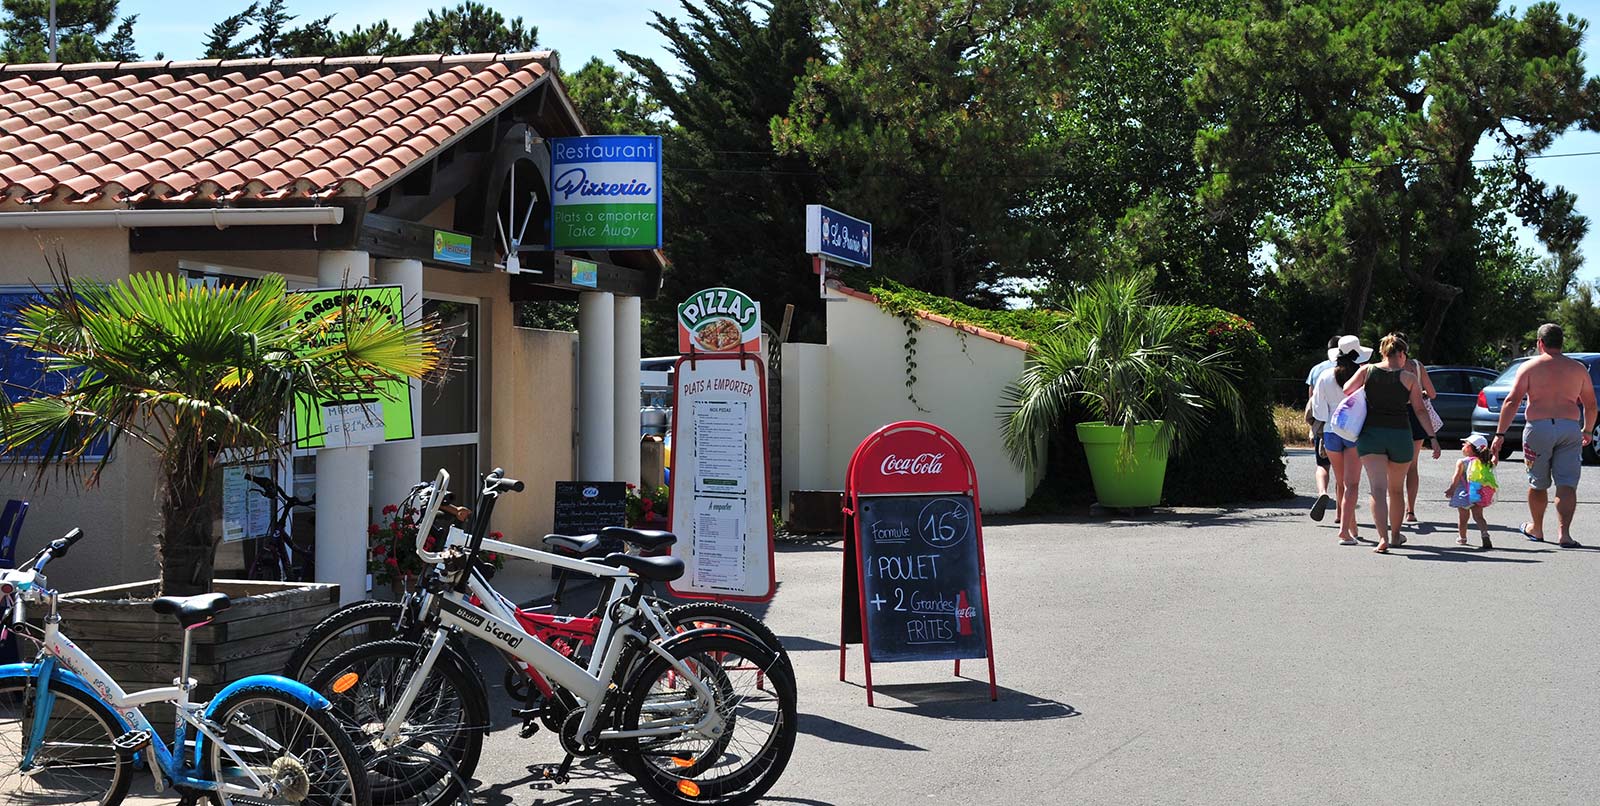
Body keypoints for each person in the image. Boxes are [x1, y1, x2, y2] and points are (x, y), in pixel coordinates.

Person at [1489, 323, 1596, 548]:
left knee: (1538, 483)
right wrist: (1587, 429)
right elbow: (1591, 404)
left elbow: (1512, 400)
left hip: (1538, 428)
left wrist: (1500, 434)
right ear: (1561, 343)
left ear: (1540, 343)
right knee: (1567, 484)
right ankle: (1564, 534)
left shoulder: (1530, 367)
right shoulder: (1577, 369)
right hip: (1569, 427)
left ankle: (1536, 529)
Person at [1343, 333, 1442, 554]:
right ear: (1400, 353)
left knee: (1377, 490)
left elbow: (1347, 390)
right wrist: (1433, 438)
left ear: (1382, 352)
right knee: (1396, 491)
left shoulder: (1367, 371)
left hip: (1371, 435)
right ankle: (1396, 535)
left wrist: (1368, 391)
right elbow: (1419, 410)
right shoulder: (1409, 378)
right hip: (1400, 435)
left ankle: (1382, 538)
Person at [1311, 335, 1372, 544]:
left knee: (1342, 483)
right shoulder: (1362, 376)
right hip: (1355, 432)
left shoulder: (1325, 375)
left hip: (1330, 432)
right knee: (1352, 484)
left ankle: (1351, 528)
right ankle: (1345, 532)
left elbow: (1318, 410)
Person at [1395, 335, 1438, 527]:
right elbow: (1433, 393)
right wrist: (1418, 392)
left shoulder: (1383, 366)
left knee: (1391, 465)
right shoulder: (1417, 367)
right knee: (1412, 465)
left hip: (1393, 414)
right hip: (1416, 415)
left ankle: (1393, 509)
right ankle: (1410, 511)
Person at [1305, 336, 1340, 521]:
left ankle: (1322, 492)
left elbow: (1312, 401)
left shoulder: (1317, 369)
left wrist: (1312, 428)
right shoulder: (1354, 369)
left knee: (1322, 465)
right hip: (1346, 426)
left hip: (1323, 425)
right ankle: (1341, 513)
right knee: (1342, 472)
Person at [1445, 434, 1496, 550]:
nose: (1463, 445)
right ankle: (1484, 533)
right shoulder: (1485, 463)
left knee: (1463, 518)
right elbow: (1494, 462)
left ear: (1470, 448)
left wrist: (1451, 489)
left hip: (1464, 496)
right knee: (1479, 517)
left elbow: (1456, 477)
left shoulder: (1462, 462)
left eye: (1465, 443)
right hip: (1478, 494)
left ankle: (1462, 538)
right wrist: (1496, 452)